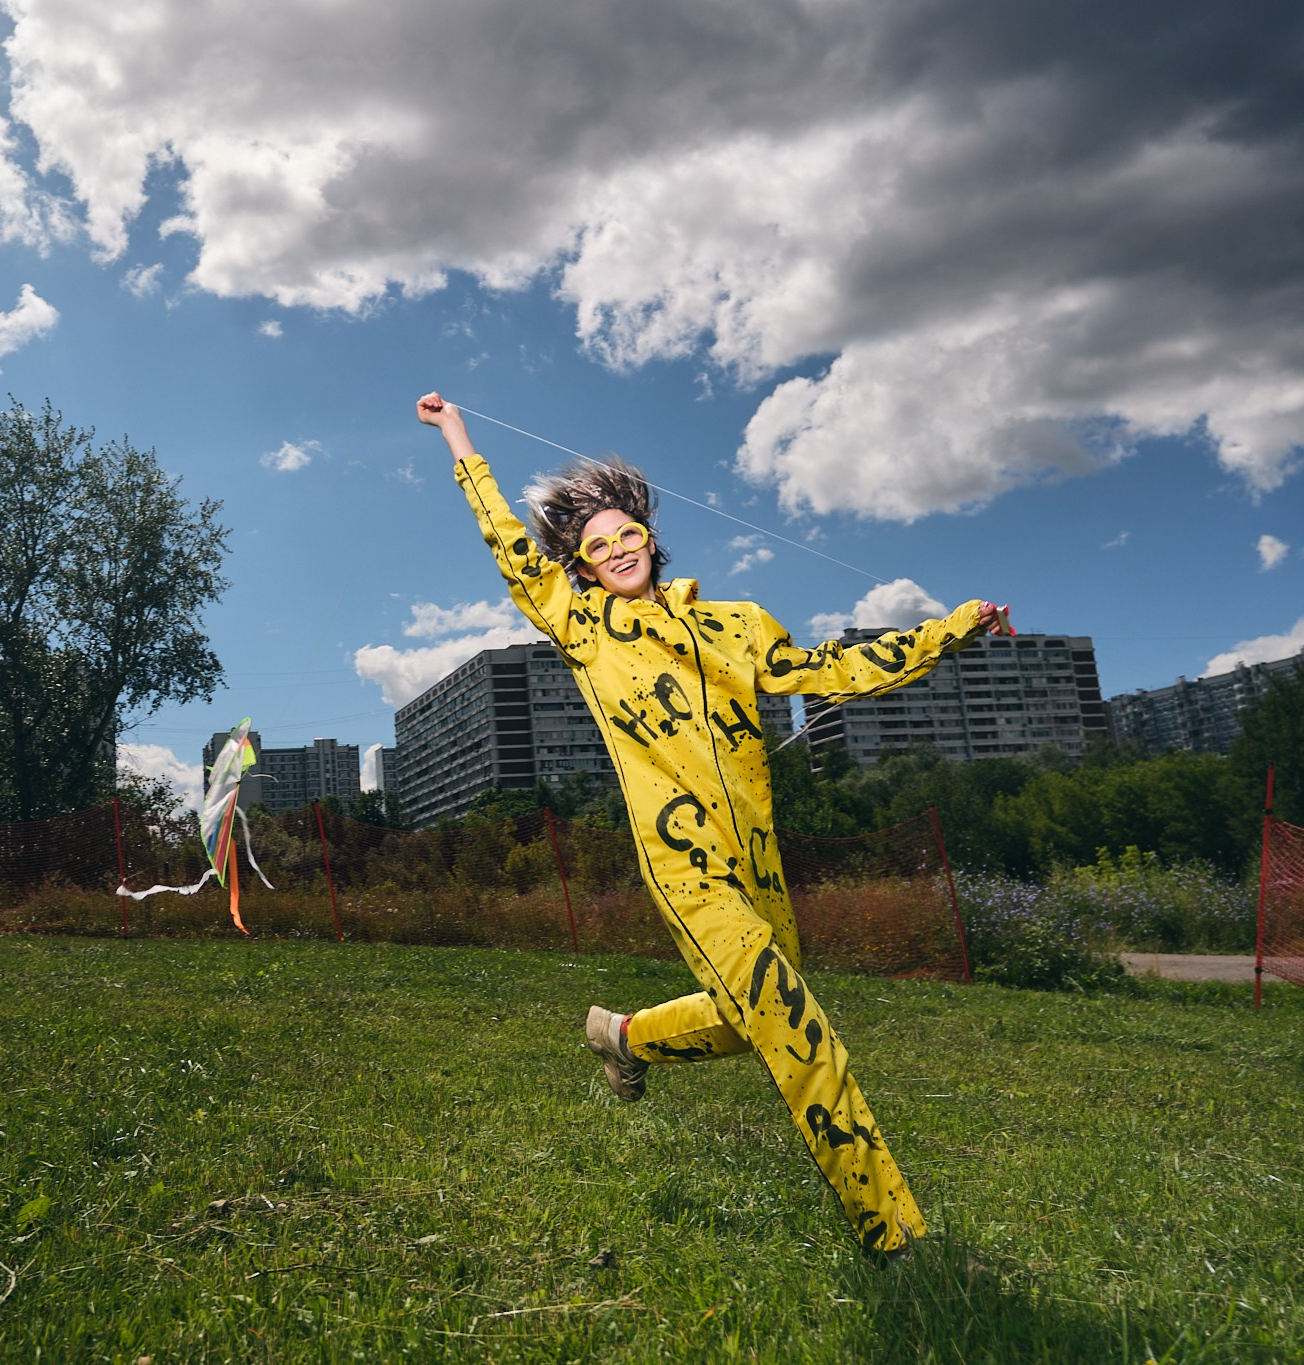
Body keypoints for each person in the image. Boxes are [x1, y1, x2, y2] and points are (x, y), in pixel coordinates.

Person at [415, 391, 1011, 1259]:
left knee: (747, 1021)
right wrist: (456, 435)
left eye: (626, 534)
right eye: (597, 545)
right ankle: (897, 1238)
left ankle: (623, 1036)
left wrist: (954, 628)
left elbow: (833, 669)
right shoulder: (581, 626)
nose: (617, 550)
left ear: (651, 538)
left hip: (760, 861)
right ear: (579, 568)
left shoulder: (735, 626)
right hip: (685, 863)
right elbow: (506, 538)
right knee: (800, 1029)